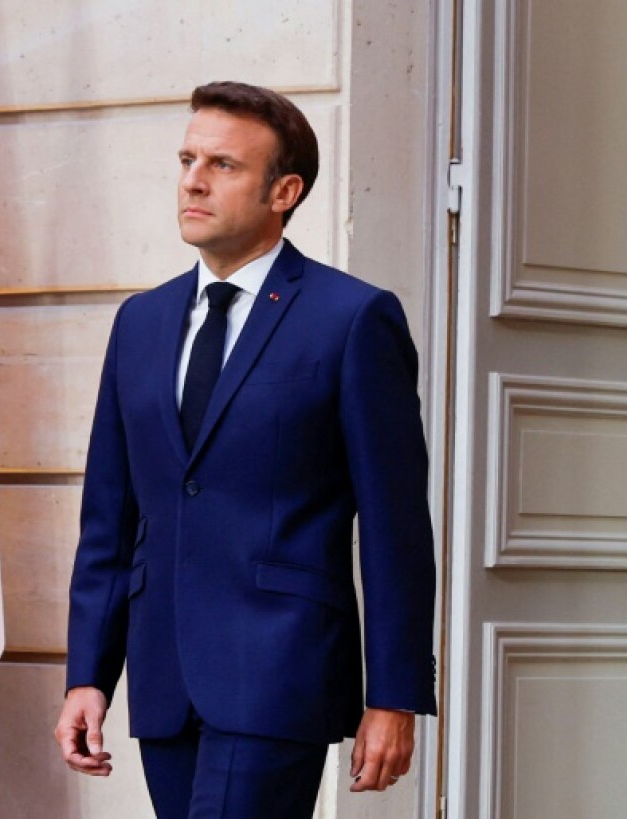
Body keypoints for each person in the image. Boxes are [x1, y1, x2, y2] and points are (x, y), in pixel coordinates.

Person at [53, 81, 437, 819]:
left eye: (224, 164)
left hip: (279, 671)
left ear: (283, 191)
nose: (193, 179)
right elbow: (109, 519)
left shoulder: (353, 320)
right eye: (188, 158)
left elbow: (395, 530)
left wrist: (393, 695)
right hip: (164, 678)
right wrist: (88, 675)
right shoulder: (140, 322)